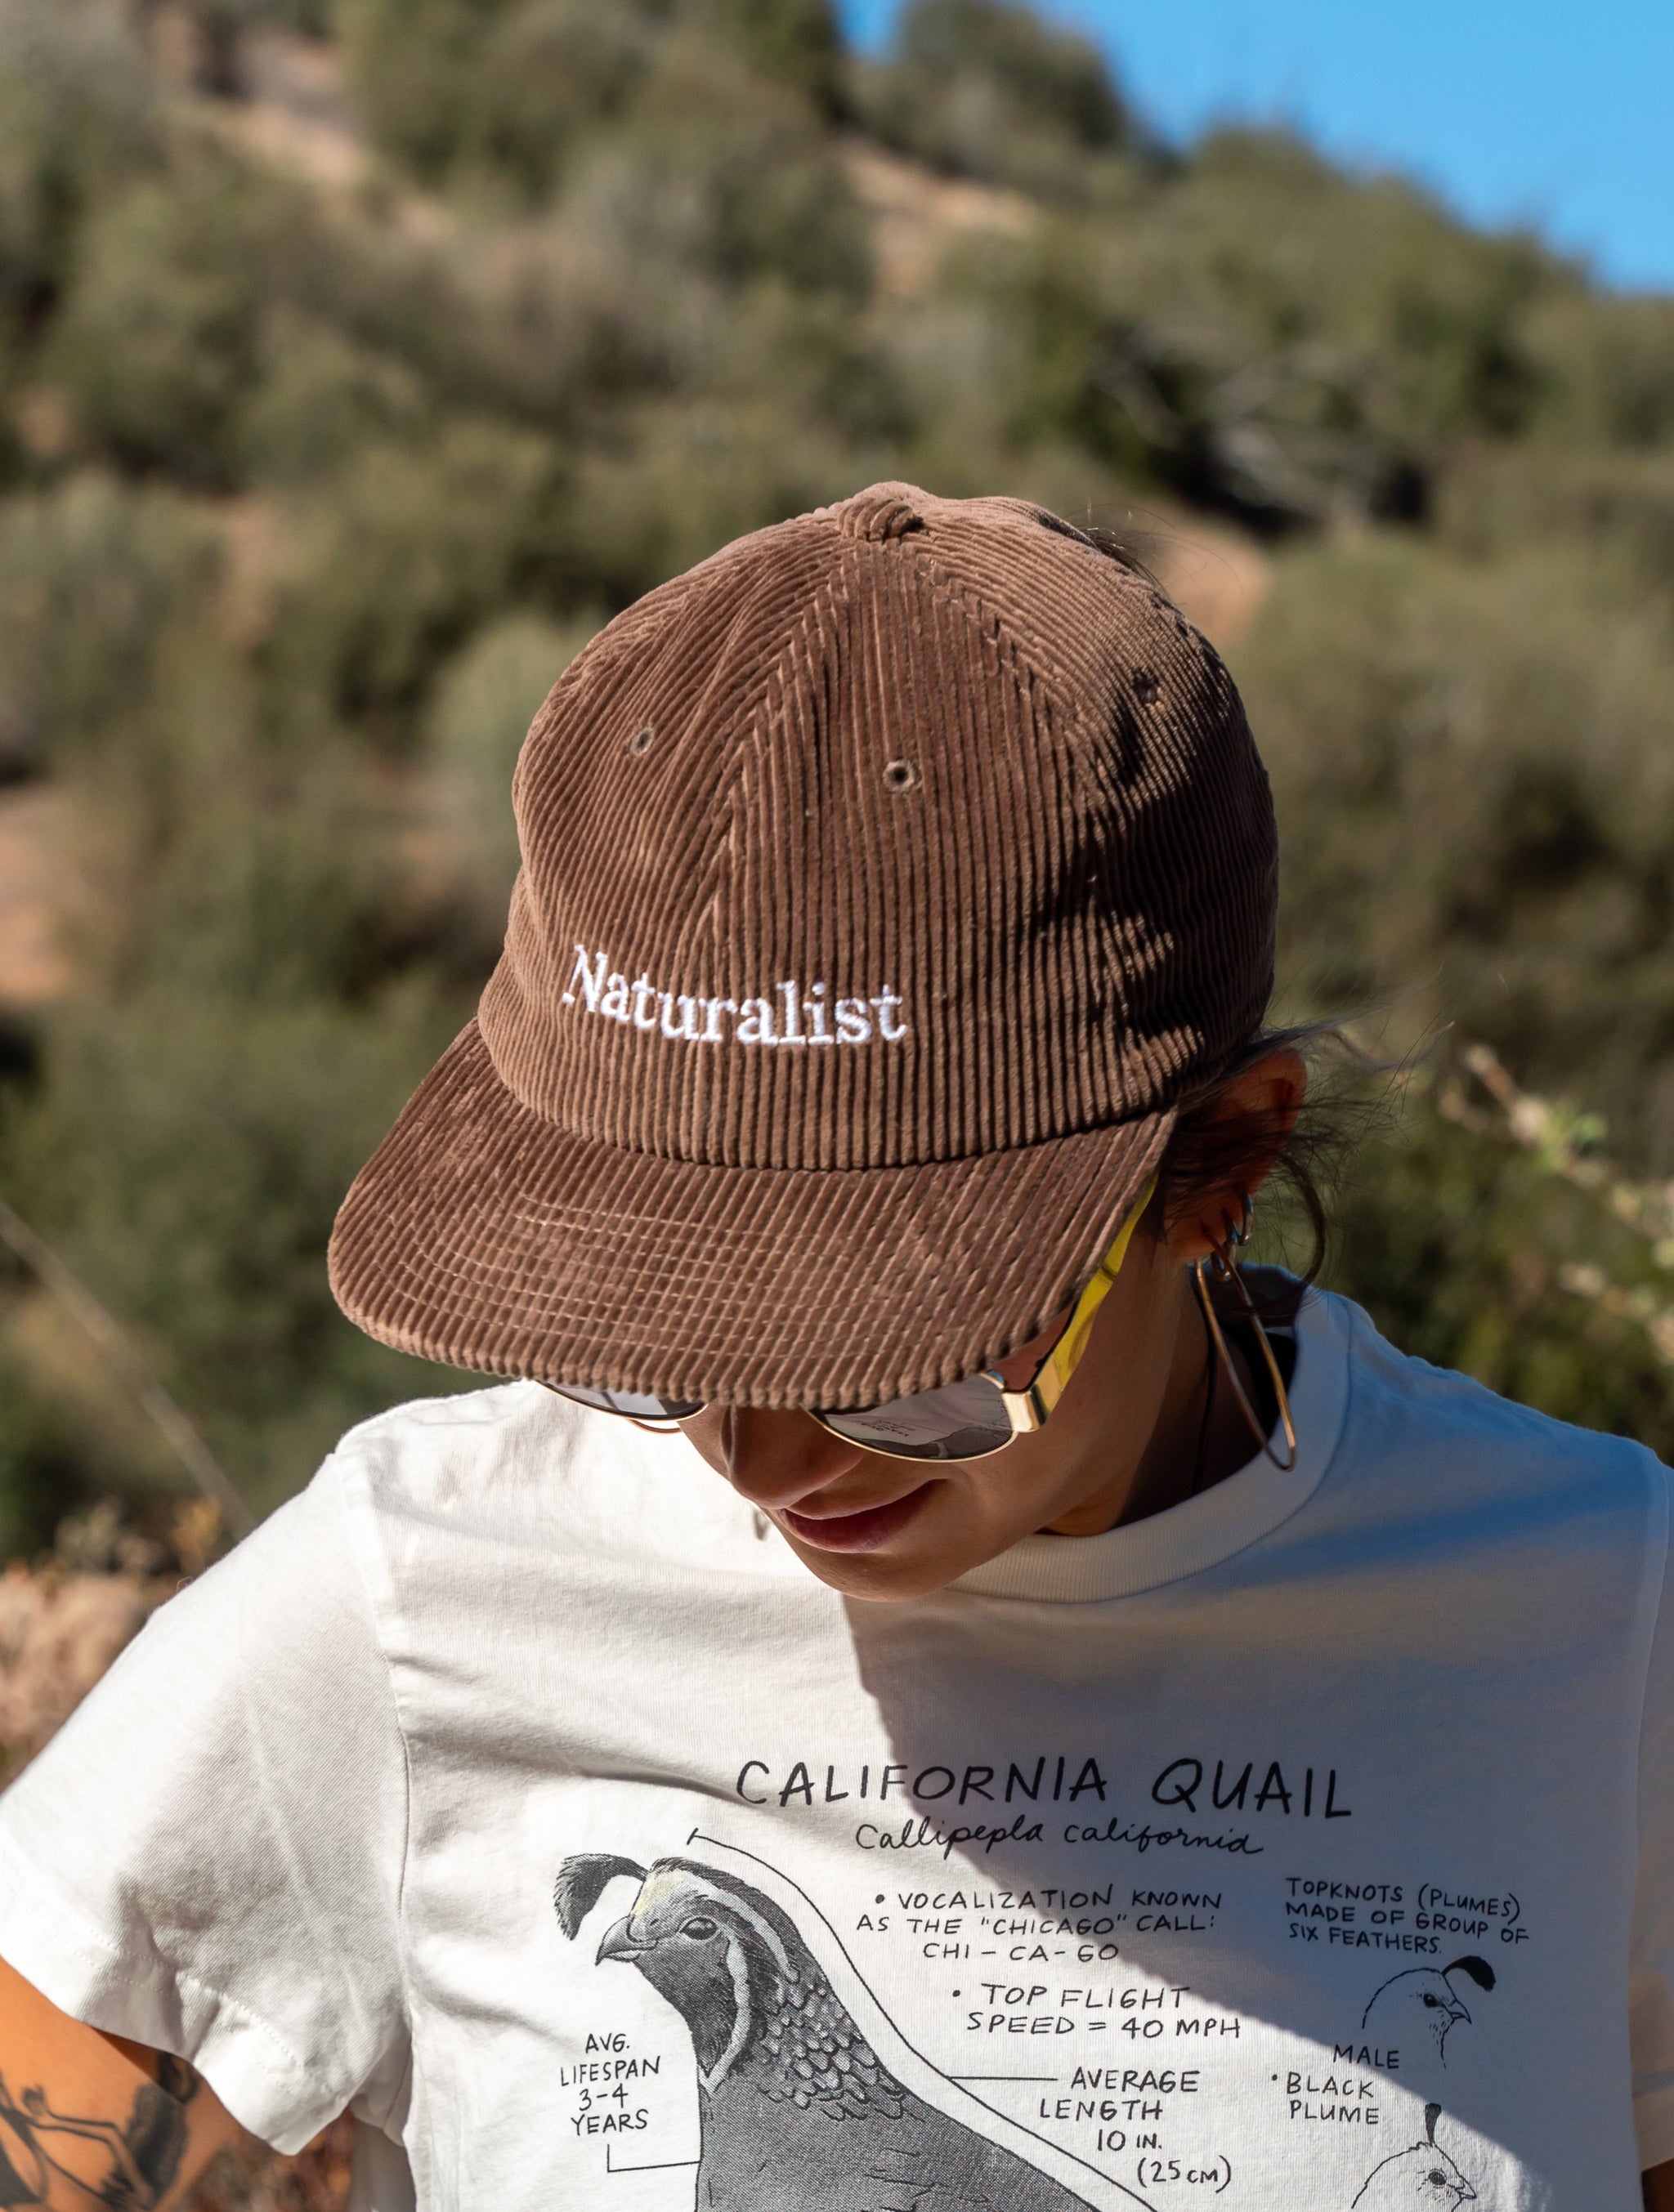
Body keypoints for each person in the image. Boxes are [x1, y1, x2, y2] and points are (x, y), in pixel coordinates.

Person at [0, 480, 1669, 2212]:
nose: (763, 1458)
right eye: (653, 1336)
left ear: (1225, 1162)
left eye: (894, 1360)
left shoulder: (1602, 1622)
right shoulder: (414, 1596)